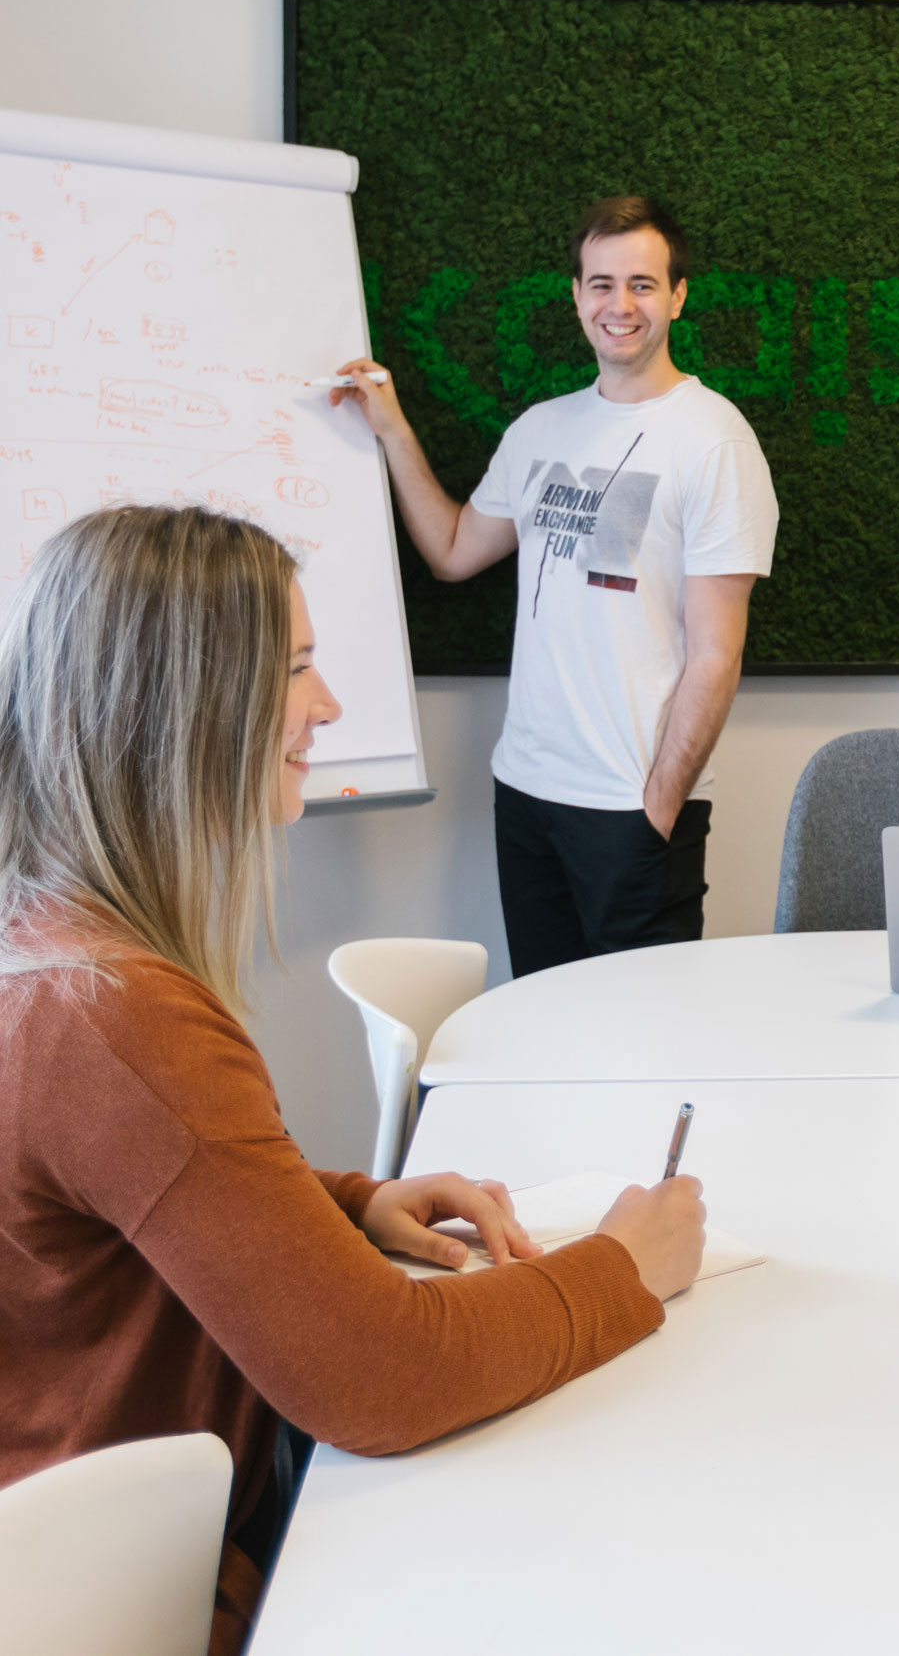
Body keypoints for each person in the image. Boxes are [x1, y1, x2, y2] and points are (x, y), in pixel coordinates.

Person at [0, 507, 710, 1654]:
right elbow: (385, 1379)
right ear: (185, 708)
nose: (326, 707)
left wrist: (338, 1201)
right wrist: (624, 1265)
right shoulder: (117, 1018)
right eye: (295, 668)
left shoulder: (44, 946)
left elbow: (115, 1202)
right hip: (124, 1594)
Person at [333, 195, 777, 976]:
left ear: (677, 296)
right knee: (539, 1030)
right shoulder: (539, 429)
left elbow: (717, 653)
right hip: (527, 794)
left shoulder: (713, 440)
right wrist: (393, 427)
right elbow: (451, 550)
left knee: (642, 1045)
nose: (620, 305)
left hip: (630, 810)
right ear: (576, 295)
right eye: (601, 284)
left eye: (643, 284)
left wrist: (659, 804)